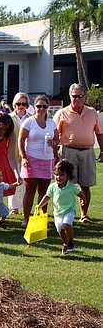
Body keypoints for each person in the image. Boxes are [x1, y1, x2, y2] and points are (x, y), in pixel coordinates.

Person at [53, 83, 103, 223]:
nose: (77, 99)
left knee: (85, 185)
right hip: (68, 151)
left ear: (85, 97)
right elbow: (54, 134)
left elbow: (99, 133)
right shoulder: (61, 113)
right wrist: (55, 153)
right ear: (70, 96)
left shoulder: (92, 113)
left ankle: (84, 214)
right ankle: (64, 214)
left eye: (80, 96)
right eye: (74, 96)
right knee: (65, 184)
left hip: (87, 152)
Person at [18, 94, 58, 228]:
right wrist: (24, 157)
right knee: (30, 190)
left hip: (47, 159)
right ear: (34, 107)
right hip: (31, 159)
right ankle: (26, 219)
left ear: (48, 107)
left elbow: (57, 140)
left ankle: (41, 219)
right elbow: (21, 140)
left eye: (44, 106)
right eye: (39, 106)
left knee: (44, 192)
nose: (41, 109)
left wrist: (54, 143)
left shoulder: (52, 123)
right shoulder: (29, 122)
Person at [37, 159, 86, 255]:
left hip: (69, 210)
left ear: (68, 176)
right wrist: (40, 205)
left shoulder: (72, 186)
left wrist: (84, 200)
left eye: (62, 175)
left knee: (66, 224)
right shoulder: (52, 187)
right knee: (60, 228)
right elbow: (47, 196)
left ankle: (71, 241)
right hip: (58, 213)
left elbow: (80, 193)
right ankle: (65, 243)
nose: (58, 177)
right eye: (56, 174)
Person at [7, 92, 34, 214]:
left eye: (23, 103)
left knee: (26, 181)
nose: (21, 106)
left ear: (27, 105)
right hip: (12, 152)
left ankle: (25, 206)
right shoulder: (9, 117)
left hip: (27, 153)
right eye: (18, 103)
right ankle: (14, 207)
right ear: (14, 104)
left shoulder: (31, 118)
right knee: (13, 178)